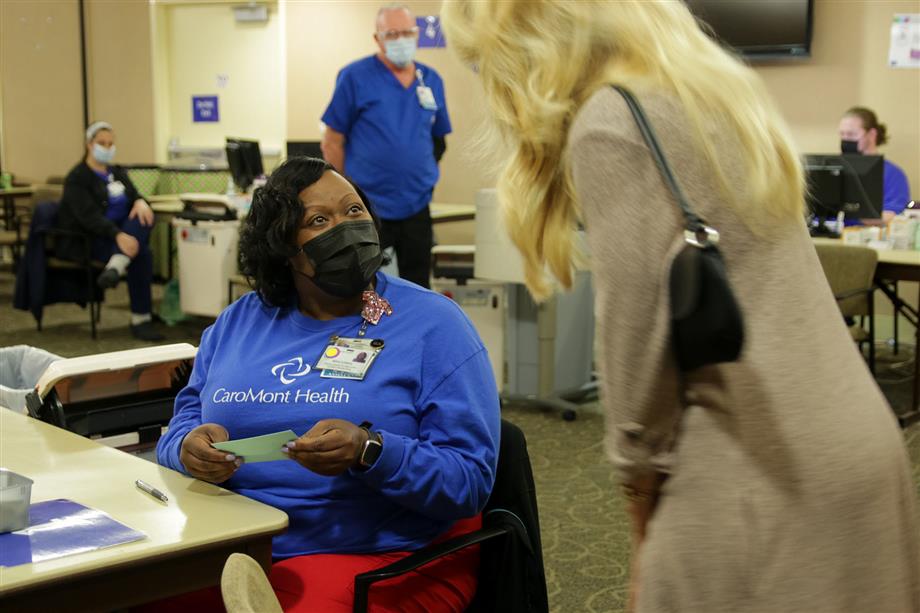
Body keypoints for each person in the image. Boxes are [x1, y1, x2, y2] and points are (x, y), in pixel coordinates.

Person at [442, 2, 920, 612]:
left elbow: (637, 358)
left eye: (485, 61)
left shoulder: (612, 120)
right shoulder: (712, 91)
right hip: (850, 442)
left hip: (757, 465)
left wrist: (642, 512)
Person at [155, 156, 500, 612]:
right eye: (319, 220)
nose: (348, 227)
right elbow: (182, 422)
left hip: (378, 555)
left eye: (354, 211)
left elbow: (470, 480)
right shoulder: (238, 322)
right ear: (283, 248)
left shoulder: (433, 324)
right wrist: (186, 447)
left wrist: (370, 451)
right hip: (234, 543)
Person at [320, 4, 451, 289]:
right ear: (377, 38)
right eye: (392, 34)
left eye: (406, 33)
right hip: (368, 206)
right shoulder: (355, 77)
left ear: (416, 35)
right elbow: (332, 141)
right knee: (362, 284)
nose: (401, 40)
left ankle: (415, 335)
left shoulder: (430, 80)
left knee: (418, 287)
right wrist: (345, 194)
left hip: (417, 204)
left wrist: (416, 174)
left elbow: (439, 141)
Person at [58, 121, 163, 341]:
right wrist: (117, 235)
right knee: (141, 253)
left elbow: (135, 196)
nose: (107, 148)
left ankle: (117, 265)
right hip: (93, 239)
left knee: (143, 216)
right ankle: (140, 319)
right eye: (102, 143)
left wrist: (142, 202)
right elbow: (88, 218)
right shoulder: (77, 178)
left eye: (110, 143)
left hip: (123, 235)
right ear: (89, 144)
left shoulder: (117, 172)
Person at [839, 106, 913, 221]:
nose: (845, 139)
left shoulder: (893, 174)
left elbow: (892, 215)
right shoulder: (836, 169)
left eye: (851, 134)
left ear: (872, 134)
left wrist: (854, 215)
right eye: (842, 134)